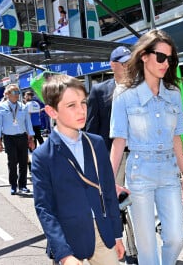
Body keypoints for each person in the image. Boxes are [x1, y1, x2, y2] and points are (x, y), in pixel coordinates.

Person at [110, 29, 183, 265]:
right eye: (161, 57)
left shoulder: (174, 93)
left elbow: (177, 137)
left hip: (169, 172)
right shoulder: (124, 94)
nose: (166, 64)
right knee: (146, 249)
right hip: (140, 172)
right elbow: (119, 141)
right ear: (144, 56)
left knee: (176, 238)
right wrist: (107, 180)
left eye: (170, 58)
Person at [31, 74, 124, 265]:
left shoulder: (96, 143)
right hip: (67, 238)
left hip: (102, 234)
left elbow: (107, 191)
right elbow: (45, 209)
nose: (81, 110)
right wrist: (63, 254)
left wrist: (117, 234)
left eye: (83, 103)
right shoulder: (43, 155)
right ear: (52, 111)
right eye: (71, 105)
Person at [86, 45, 138, 265]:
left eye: (130, 62)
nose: (127, 66)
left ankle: (135, 252)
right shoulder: (99, 92)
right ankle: (118, 246)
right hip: (111, 159)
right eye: (123, 62)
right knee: (115, 205)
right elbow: (90, 129)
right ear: (112, 65)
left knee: (137, 204)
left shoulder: (140, 88)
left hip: (136, 157)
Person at [0, 84, 35, 195]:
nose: (17, 95)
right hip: (9, 138)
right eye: (14, 93)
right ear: (7, 95)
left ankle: (22, 185)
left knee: (23, 162)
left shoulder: (23, 106)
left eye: (18, 92)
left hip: (22, 137)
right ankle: (13, 185)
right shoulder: (1, 107)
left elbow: (28, 123)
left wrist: (31, 139)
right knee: (12, 162)